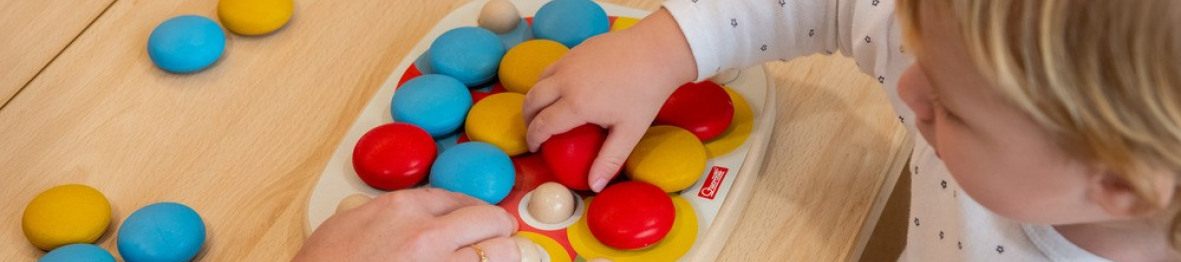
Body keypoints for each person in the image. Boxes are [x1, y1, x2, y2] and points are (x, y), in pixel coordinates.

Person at [298, 0, 1181, 260]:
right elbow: (839, 7)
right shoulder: (998, 76)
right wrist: (666, 47)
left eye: (946, 104)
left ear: (1117, 182)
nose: (901, 81)